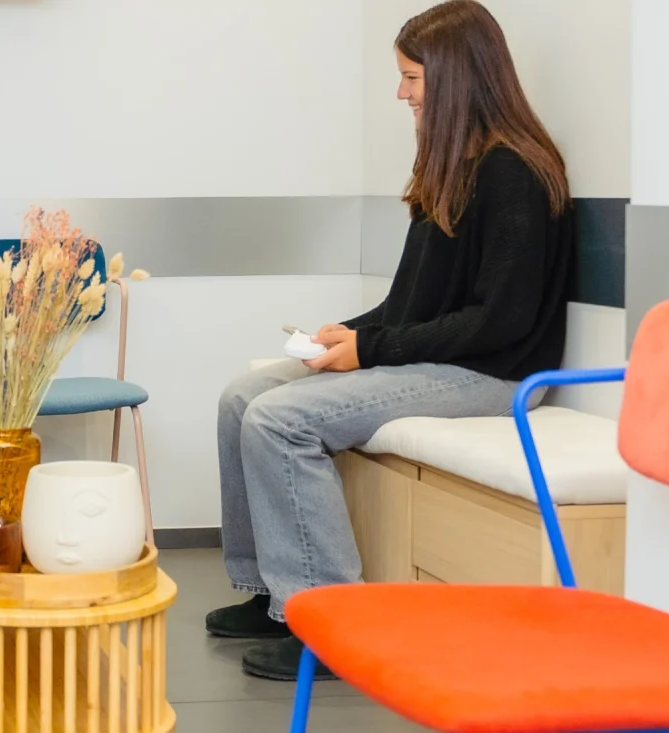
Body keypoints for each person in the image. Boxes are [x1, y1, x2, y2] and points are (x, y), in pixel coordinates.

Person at [208, 0, 574, 681]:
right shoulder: (451, 167)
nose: (401, 92)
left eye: (412, 77)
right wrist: (354, 332)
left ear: (456, 77)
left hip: (492, 374)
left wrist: (371, 350)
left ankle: (336, 622)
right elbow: (413, 301)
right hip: (445, 357)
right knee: (242, 397)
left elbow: (501, 321)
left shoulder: (512, 173)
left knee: (282, 418)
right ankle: (274, 594)